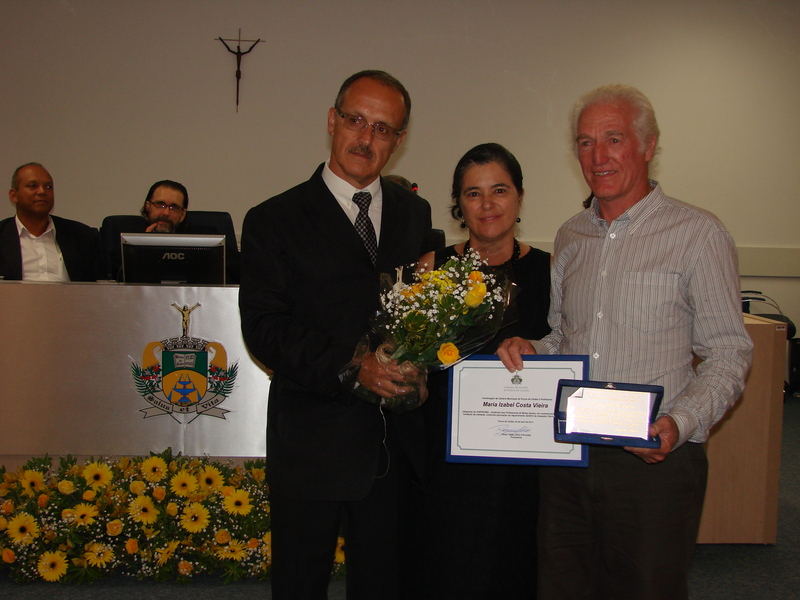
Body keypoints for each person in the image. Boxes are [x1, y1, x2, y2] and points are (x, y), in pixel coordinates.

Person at [497, 84, 753, 600]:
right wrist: (533, 349)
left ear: (648, 145)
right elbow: (565, 336)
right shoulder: (571, 237)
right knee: (562, 586)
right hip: (569, 458)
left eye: (613, 139)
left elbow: (729, 351)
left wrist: (678, 423)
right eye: (585, 142)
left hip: (653, 461)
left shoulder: (698, 234)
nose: (598, 156)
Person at [239, 70, 432, 600]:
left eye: (383, 128)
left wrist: (422, 368)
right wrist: (353, 366)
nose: (366, 138)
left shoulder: (415, 215)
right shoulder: (273, 218)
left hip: (392, 448)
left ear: (399, 139)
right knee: (300, 586)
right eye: (356, 120)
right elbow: (265, 328)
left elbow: (421, 314)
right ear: (332, 120)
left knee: (384, 586)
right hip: (311, 446)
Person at [412, 143, 551, 599]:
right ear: (459, 204)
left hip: (523, 455)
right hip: (448, 453)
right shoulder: (433, 267)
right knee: (449, 565)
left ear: (520, 197)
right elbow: (410, 355)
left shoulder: (550, 272)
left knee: (516, 564)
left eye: (499, 190)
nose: (487, 204)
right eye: (473, 193)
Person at [106, 180, 240, 282]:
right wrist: (142, 244)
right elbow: (116, 270)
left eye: (174, 208)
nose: (165, 213)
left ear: (182, 214)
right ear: (148, 206)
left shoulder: (206, 237)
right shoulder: (129, 237)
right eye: (160, 205)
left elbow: (240, 267)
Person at [0, 162, 101, 281]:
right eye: (33, 186)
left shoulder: (81, 236)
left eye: (48, 187)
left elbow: (99, 286)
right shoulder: (3, 234)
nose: (42, 191)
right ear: (14, 196)